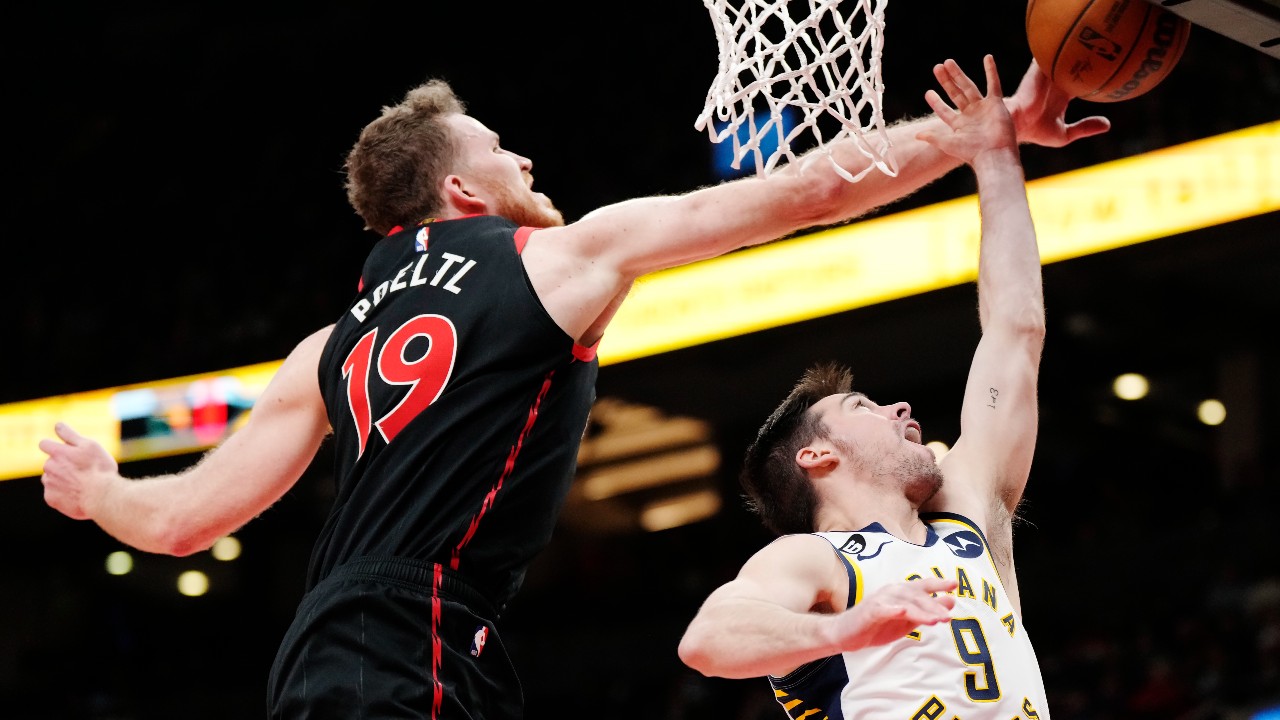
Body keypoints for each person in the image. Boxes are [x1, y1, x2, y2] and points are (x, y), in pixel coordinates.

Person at [39, 54, 1105, 718]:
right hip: (406, 629)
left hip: (377, 635)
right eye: (504, 154)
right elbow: (808, 191)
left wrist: (96, 495)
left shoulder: (326, 347)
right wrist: (979, 135)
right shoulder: (555, 258)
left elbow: (179, 520)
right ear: (461, 189)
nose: (527, 162)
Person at [678, 55, 1059, 719]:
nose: (900, 407)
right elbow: (709, 640)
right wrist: (844, 630)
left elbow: (1015, 331)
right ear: (817, 455)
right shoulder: (816, 561)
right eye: (863, 407)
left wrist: (995, 153)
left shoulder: (966, 510)